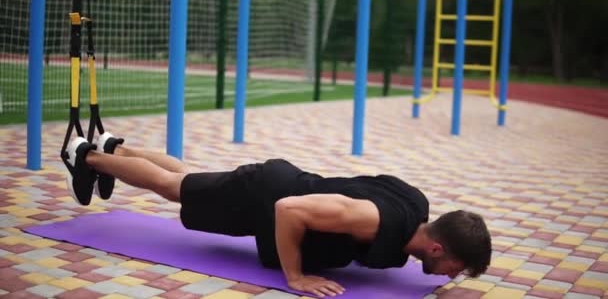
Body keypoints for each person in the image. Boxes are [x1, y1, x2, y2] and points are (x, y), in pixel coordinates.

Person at [64, 133, 492, 298]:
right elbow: (289, 211)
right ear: (437, 247)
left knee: (187, 176)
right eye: (457, 267)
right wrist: (295, 277)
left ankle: (114, 146)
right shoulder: (373, 220)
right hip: (265, 197)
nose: (452, 275)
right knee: (173, 188)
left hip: (278, 183)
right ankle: (87, 157)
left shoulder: (415, 205)